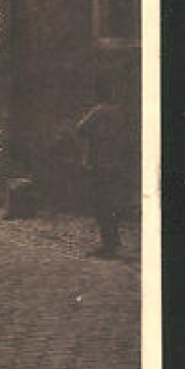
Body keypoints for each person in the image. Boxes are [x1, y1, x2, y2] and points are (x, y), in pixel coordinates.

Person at [75, 70, 130, 258]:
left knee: (101, 204)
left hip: (99, 163)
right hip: (116, 164)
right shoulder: (120, 111)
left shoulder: (99, 111)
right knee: (112, 203)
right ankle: (113, 241)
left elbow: (80, 128)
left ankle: (108, 245)